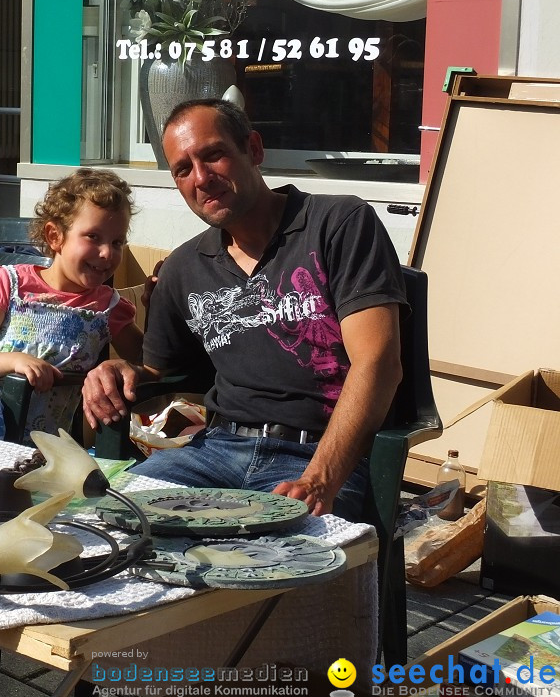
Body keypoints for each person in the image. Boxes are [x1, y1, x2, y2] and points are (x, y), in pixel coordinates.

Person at [82, 99, 405, 520]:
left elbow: (378, 362)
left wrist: (321, 478)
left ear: (253, 149)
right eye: (183, 169)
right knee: (110, 516)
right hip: (214, 451)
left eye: (213, 155)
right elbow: (163, 373)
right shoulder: (184, 269)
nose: (201, 178)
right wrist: (118, 371)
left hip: (315, 454)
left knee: (285, 556)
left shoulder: (338, 224)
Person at [0, 168, 144, 440]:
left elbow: (150, 362)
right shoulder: (10, 283)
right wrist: (15, 361)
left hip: (43, 439)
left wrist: (159, 306)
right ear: (55, 236)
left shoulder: (108, 308)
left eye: (117, 242)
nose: (107, 253)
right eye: (93, 237)